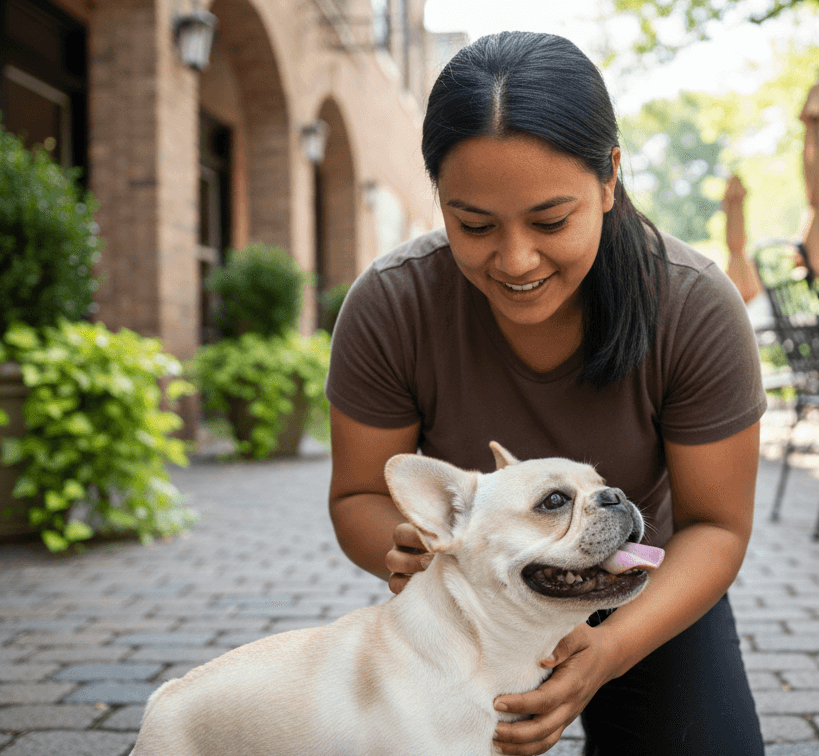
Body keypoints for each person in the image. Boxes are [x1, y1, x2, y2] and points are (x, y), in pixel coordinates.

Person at [325, 31, 767, 756]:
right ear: (438, 196)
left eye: (551, 220)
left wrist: (608, 651)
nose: (516, 259)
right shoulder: (390, 304)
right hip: (475, 598)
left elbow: (716, 528)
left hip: (640, 585)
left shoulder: (694, 306)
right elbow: (356, 499)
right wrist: (414, 549)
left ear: (609, 178)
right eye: (474, 225)